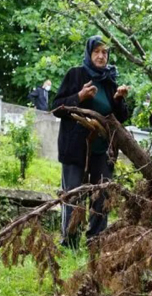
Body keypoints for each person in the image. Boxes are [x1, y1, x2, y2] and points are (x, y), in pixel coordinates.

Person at [51, 36, 130, 248]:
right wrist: (80, 96)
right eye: (96, 51)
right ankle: (70, 243)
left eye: (104, 52)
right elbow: (56, 107)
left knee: (102, 194)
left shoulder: (109, 81)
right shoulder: (76, 74)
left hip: (102, 150)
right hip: (75, 148)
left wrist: (119, 99)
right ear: (89, 53)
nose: (101, 56)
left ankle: (96, 241)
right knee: (74, 194)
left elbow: (121, 118)